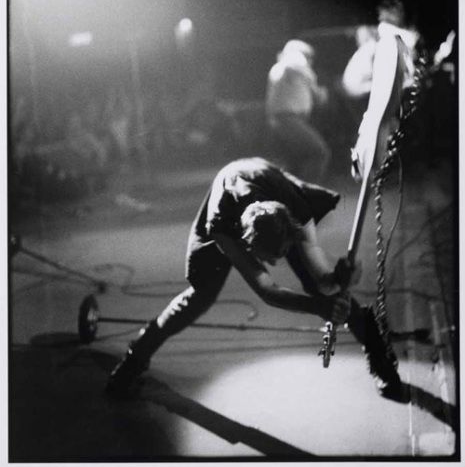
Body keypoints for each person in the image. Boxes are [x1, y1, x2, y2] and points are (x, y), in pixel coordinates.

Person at [107, 157, 403, 400]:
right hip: (226, 201)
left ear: (292, 230)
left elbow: (321, 275)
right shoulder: (221, 225)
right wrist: (318, 308)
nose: (276, 263)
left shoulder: (296, 212)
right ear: (248, 245)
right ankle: (137, 356)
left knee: (319, 288)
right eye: (269, 257)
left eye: (283, 252)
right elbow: (267, 290)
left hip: (269, 180)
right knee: (201, 296)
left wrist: (336, 279)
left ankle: (380, 359)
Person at [266, 39, 331, 182]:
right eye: (307, 56)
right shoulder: (291, 68)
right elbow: (320, 98)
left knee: (294, 163)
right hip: (288, 120)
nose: (310, 61)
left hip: (287, 121)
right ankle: (306, 195)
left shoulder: (288, 70)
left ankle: (292, 197)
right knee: (318, 152)